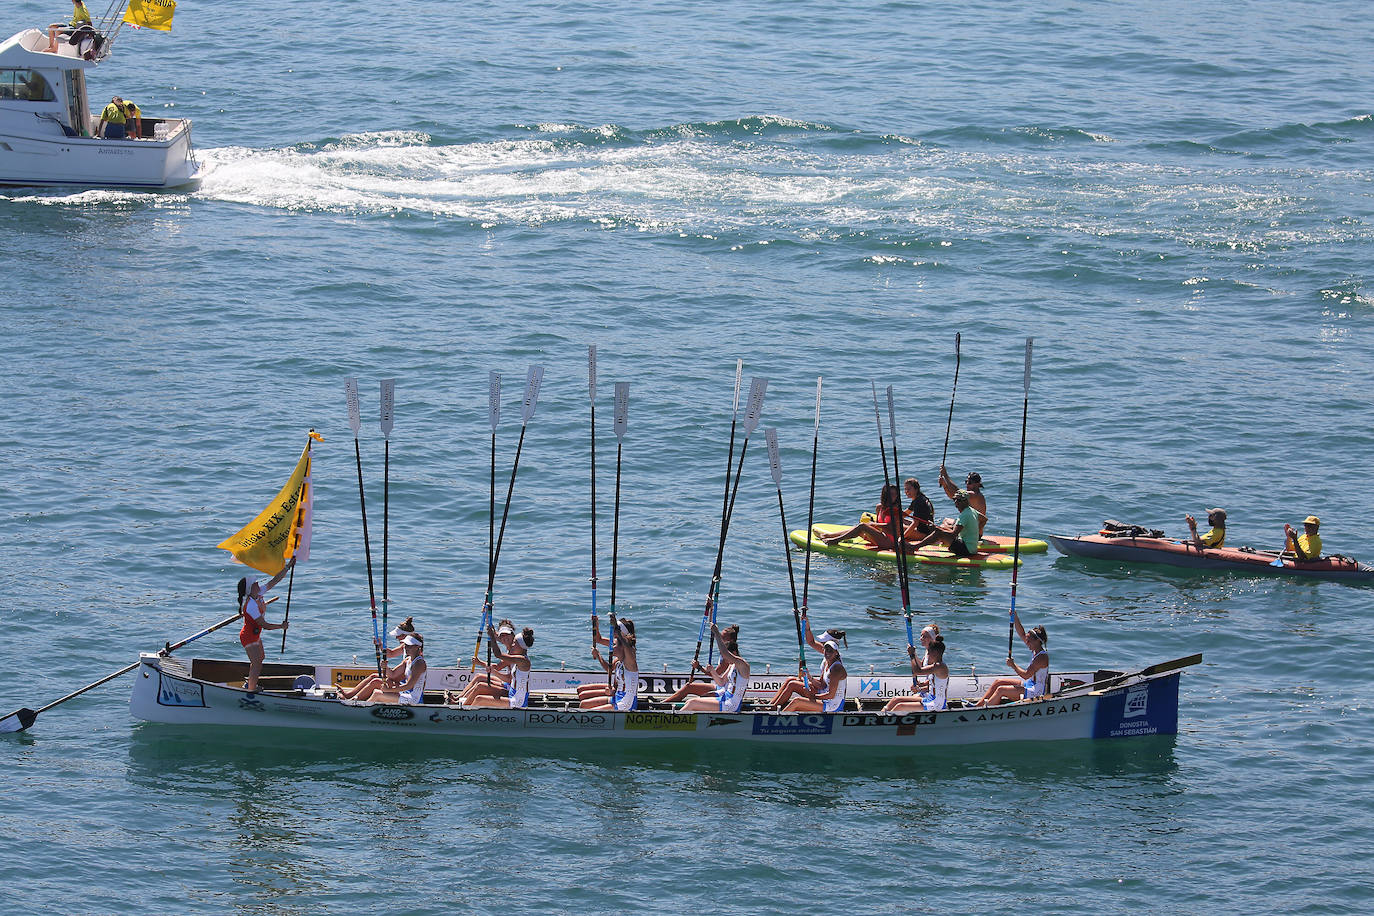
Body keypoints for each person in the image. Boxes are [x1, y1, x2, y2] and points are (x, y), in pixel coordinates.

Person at [768, 621, 847, 713]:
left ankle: (778, 718)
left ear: (836, 652)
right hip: (823, 693)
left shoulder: (836, 668)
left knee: (796, 701)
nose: (826, 651)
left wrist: (812, 696)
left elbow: (831, 695)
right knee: (791, 682)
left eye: (830, 650)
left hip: (832, 704)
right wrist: (809, 677)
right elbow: (822, 685)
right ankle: (770, 708)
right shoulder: (828, 659)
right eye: (825, 649)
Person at [237, 561, 292, 692]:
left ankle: (251, 683)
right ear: (250, 589)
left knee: (260, 659)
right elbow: (265, 625)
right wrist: (281, 626)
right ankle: (251, 691)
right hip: (248, 637)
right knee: (257, 664)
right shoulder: (250, 606)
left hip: (255, 634)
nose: (257, 583)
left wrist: (288, 567)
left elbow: (275, 580)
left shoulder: (259, 593)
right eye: (254, 583)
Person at [971, 614, 1048, 707]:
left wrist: (1013, 665)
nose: (1026, 643)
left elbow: (1026, 675)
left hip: (1036, 692)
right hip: (1029, 684)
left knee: (1001, 690)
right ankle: (977, 706)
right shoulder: (1035, 648)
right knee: (998, 682)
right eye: (1026, 640)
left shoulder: (1041, 658)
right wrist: (1015, 616)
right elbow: (1022, 633)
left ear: (1037, 641)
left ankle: (983, 710)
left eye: (1029, 641)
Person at [675, 624, 750, 713]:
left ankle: (675, 719)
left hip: (731, 705)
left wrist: (717, 633)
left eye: (725, 657)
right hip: (725, 698)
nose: (725, 659)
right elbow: (721, 682)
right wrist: (712, 671)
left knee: (692, 703)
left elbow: (725, 653)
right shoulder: (732, 665)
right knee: (689, 701)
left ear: (734, 653)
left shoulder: (743, 665)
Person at [341, 632, 428, 704]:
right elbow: (393, 674)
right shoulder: (407, 660)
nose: (406, 647)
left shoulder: (419, 663)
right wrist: (385, 667)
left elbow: (409, 686)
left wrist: (389, 690)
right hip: (405, 692)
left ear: (417, 647)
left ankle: (359, 710)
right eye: (405, 644)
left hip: (413, 699)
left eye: (409, 645)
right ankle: (352, 700)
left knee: (377, 694)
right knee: (376, 682)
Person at [467, 623, 534, 709]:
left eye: (514, 643)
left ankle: (463, 713)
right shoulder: (518, 658)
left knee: (479, 699)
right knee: (480, 690)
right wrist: (490, 628)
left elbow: (498, 654)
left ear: (521, 647)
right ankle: (463, 709)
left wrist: (491, 636)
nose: (512, 645)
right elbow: (499, 639)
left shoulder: (523, 661)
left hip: (518, 702)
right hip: (512, 694)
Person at [580, 615, 640, 711]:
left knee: (589, 713)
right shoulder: (619, 660)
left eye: (615, 645)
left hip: (626, 703)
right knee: (584, 704)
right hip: (617, 696)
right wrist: (596, 624)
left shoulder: (630, 659)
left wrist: (617, 628)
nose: (611, 647)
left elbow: (626, 644)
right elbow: (598, 639)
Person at [817, 483, 903, 548]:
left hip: (890, 542)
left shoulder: (896, 510)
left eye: (895, 494)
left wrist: (872, 524)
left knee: (862, 526)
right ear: (885, 494)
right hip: (881, 538)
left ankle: (835, 540)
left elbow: (891, 527)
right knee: (858, 528)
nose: (893, 496)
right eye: (891, 494)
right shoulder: (879, 507)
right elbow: (879, 527)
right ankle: (829, 535)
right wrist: (871, 528)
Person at [882, 635, 949, 713]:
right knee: (896, 699)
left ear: (935, 653)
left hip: (937, 704)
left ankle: (888, 718)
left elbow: (917, 671)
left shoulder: (940, 667)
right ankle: (881, 715)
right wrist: (920, 685)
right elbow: (932, 683)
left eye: (929, 652)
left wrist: (912, 655)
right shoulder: (935, 665)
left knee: (900, 706)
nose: (928, 655)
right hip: (929, 698)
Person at [912, 489, 981, 558]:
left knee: (938, 533)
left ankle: (914, 547)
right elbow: (984, 519)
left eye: (959, 500)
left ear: (966, 501)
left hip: (966, 550)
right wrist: (976, 533)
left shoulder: (964, 515)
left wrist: (936, 529)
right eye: (954, 499)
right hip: (972, 548)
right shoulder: (971, 510)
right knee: (943, 528)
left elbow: (953, 535)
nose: (956, 502)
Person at [938, 468, 987, 539]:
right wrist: (944, 485)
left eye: (969, 483)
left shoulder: (976, 495)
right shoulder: (969, 496)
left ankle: (950, 537)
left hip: (973, 533)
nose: (967, 484)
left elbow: (958, 492)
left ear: (977, 484)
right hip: (970, 528)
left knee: (942, 527)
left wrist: (945, 475)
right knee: (946, 520)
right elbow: (953, 496)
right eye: (966, 482)